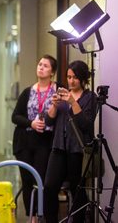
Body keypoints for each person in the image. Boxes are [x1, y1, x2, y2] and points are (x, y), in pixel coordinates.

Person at [44, 60, 97, 223]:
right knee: (49, 187)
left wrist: (72, 102)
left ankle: (78, 220)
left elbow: (86, 124)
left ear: (82, 78)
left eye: (74, 77)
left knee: (77, 190)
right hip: (58, 147)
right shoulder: (62, 94)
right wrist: (54, 105)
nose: (70, 81)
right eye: (68, 77)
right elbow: (48, 122)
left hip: (77, 150)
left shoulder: (90, 98)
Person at [12, 55, 58, 220]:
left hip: (45, 142)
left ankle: (41, 214)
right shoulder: (28, 91)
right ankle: (31, 217)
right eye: (39, 64)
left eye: (45, 66)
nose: (41, 67)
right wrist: (30, 123)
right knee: (26, 180)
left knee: (40, 180)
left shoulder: (57, 91)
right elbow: (15, 117)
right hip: (25, 141)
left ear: (52, 72)